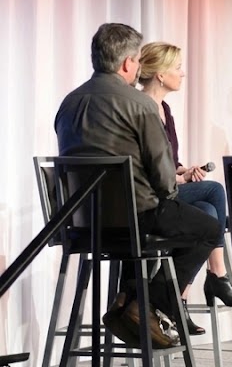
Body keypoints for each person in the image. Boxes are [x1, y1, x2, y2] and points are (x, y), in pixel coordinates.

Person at [54, 23, 223, 348]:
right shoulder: (140, 104)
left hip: (82, 223)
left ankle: (131, 298)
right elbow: (164, 178)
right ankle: (146, 302)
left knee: (191, 214)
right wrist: (171, 188)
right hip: (135, 218)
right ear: (128, 63)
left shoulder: (69, 103)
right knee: (209, 228)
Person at [138, 42, 232, 336]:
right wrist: (179, 180)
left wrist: (184, 171)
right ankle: (218, 275)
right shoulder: (142, 109)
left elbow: (168, 162)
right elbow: (146, 170)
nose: (182, 73)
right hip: (152, 197)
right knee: (214, 191)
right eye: (177, 68)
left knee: (207, 211)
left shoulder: (164, 109)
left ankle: (181, 300)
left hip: (167, 188)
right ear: (160, 74)